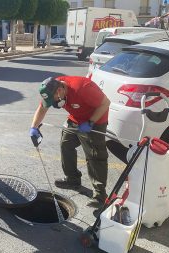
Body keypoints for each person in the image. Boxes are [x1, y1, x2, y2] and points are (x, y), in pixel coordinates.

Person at [30, 76, 110, 208]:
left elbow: (105, 103)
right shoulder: (51, 89)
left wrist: (91, 122)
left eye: (54, 99)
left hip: (94, 120)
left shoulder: (83, 88)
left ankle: (100, 195)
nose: (54, 102)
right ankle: (72, 179)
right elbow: (43, 108)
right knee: (66, 145)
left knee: (94, 155)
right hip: (75, 119)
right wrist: (34, 127)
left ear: (60, 91)